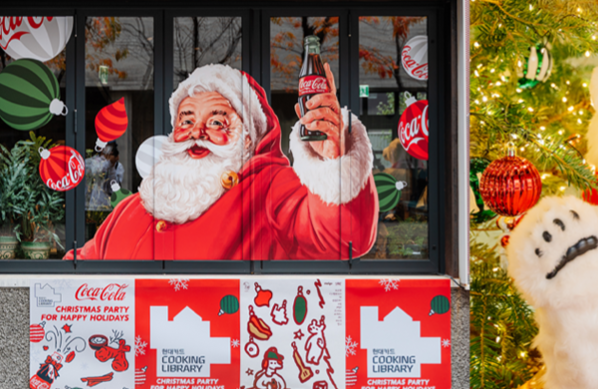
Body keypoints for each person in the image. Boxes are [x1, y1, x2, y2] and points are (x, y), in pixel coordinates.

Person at [68, 63, 378, 260]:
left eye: (216, 122)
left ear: (246, 138)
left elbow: (342, 237)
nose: (197, 133)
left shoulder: (269, 190)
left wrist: (337, 163)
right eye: (185, 121)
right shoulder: (130, 211)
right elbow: (81, 274)